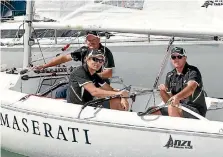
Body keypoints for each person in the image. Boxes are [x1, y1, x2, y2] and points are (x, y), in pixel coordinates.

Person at [35, 31, 115, 98]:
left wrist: (93, 76)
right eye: (89, 40)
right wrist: (44, 66)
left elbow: (109, 73)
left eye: (93, 39)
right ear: (85, 41)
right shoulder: (84, 50)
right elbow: (64, 58)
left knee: (83, 94)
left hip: (99, 83)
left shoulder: (105, 52)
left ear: (98, 39)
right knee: (61, 91)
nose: (91, 42)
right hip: (84, 81)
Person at [158, 47, 207, 118]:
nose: (176, 59)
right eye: (173, 57)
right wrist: (162, 92)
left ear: (185, 58)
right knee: (153, 111)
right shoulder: (170, 75)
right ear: (171, 59)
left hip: (195, 110)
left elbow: (191, 88)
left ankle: (175, 128)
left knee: (172, 107)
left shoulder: (193, 71)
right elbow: (168, 101)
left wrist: (177, 97)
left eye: (179, 56)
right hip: (178, 107)